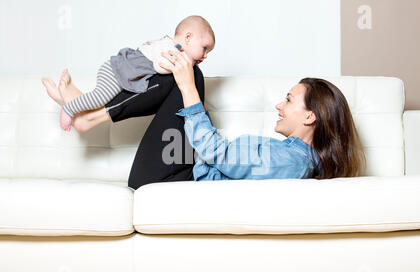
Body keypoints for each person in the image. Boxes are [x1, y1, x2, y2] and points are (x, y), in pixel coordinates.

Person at [48, 53, 365, 188]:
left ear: (310, 116)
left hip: (171, 181)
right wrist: (187, 89)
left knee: (189, 76)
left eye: (289, 99)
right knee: (185, 79)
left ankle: (89, 112)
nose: (279, 105)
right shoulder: (295, 156)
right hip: (181, 169)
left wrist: (188, 86)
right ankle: (89, 112)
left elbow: (220, 155)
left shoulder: (293, 161)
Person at [41, 15, 215, 131]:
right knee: (100, 96)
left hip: (122, 73)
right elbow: (160, 66)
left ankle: (78, 106)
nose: (206, 56)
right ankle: (71, 107)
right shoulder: (170, 49)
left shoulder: (170, 46)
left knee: (103, 98)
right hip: (115, 71)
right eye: (204, 48)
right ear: (188, 38)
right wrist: (182, 64)